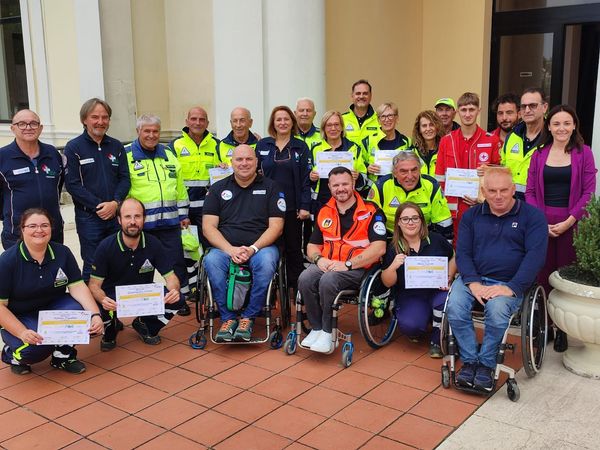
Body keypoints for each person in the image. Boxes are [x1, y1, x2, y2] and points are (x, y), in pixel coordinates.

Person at [447, 167, 548, 392]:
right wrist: (473, 283)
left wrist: (510, 287)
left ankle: (486, 364)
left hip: (510, 282)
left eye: (504, 190)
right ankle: (470, 359)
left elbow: (535, 257)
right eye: (492, 191)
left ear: (513, 189)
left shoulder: (533, 217)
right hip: (473, 278)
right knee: (454, 306)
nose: (498, 196)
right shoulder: (471, 216)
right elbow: (463, 253)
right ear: (483, 191)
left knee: (497, 309)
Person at [526, 105, 597, 352]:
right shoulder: (539, 154)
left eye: (567, 123)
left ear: (574, 125)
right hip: (542, 224)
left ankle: (562, 330)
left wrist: (569, 221)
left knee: (564, 277)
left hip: (571, 224)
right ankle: (544, 325)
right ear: (549, 126)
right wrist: (540, 222)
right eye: (556, 124)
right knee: (542, 276)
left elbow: (589, 192)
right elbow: (531, 192)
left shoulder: (584, 153)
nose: (561, 128)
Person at [0, 208, 104, 375]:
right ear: (23, 229)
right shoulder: (7, 261)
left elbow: (78, 287)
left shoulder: (62, 252)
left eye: (44, 225)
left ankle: (62, 355)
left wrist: (95, 315)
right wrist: (22, 332)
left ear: (51, 229)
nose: (39, 230)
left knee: (82, 315)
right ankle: (11, 353)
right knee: (34, 350)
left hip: (52, 310)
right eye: (32, 225)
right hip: (21, 316)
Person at [298, 167, 387, 353]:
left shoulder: (372, 211)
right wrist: (318, 259)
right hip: (329, 264)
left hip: (358, 269)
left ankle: (328, 331)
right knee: (305, 277)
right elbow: (312, 246)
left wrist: (347, 264)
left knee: (328, 280)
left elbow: (379, 248)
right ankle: (316, 328)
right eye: (336, 185)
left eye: (345, 184)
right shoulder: (324, 211)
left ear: (353, 184)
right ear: (329, 187)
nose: (341, 188)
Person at [202, 144, 285, 342]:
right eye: (239, 159)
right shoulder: (217, 189)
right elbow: (208, 227)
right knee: (211, 261)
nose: (244, 163)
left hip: (260, 248)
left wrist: (253, 248)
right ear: (232, 163)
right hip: (225, 248)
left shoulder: (271, 187)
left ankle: (248, 316)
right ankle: (228, 318)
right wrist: (230, 250)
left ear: (257, 162)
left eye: (249, 159)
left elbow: (276, 226)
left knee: (266, 263)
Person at [88, 198, 183, 350]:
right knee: (96, 306)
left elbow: (170, 277)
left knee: (178, 299)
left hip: (142, 294)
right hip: (113, 296)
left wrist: (173, 290)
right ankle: (111, 328)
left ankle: (145, 324)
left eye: (137, 216)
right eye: (127, 217)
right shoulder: (105, 246)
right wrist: (103, 298)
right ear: (119, 220)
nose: (133, 221)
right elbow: (93, 285)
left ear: (144, 219)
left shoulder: (153, 243)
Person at [125, 114, 190, 311]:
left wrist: (183, 214)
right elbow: (123, 190)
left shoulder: (169, 154)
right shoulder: (126, 154)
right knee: (141, 267)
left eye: (155, 131)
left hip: (170, 223)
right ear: (138, 132)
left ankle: (180, 300)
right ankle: (141, 306)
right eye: (147, 131)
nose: (152, 135)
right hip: (141, 225)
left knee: (176, 262)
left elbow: (179, 187)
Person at [64, 98, 130, 282]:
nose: (100, 122)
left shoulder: (116, 146)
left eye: (105, 117)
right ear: (84, 120)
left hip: (115, 214)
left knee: (118, 260)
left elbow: (125, 178)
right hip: (89, 218)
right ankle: (95, 308)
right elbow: (73, 185)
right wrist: (100, 206)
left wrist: (115, 203)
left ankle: (116, 306)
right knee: (93, 264)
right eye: (95, 117)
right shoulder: (74, 147)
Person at [381, 202, 456, 358]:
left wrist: (448, 276)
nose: (411, 222)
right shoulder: (393, 247)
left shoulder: (436, 240)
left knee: (445, 301)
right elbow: (387, 282)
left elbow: (453, 257)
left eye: (415, 218)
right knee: (411, 326)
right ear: (398, 223)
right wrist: (393, 266)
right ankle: (425, 317)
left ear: (422, 221)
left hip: (437, 291)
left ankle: (437, 338)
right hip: (411, 295)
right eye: (406, 219)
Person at [256, 106, 312, 295]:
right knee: (268, 250)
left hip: (292, 209)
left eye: (286, 119)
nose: (282, 123)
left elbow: (306, 179)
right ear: (273, 123)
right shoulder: (263, 145)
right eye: (278, 119)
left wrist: (304, 206)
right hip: (266, 209)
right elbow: (253, 174)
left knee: (294, 251)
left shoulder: (301, 147)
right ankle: (269, 293)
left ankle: (297, 294)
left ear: (292, 122)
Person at [435, 92, 501, 239]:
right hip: (452, 213)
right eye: (464, 110)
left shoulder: (491, 140)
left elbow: (499, 178)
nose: (467, 114)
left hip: (481, 210)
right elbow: (439, 178)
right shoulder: (446, 141)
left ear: (479, 111)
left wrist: (483, 197)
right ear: (457, 112)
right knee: (455, 253)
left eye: (471, 109)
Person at [0, 109, 64, 249]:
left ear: (40, 128)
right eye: (22, 124)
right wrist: (10, 218)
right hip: (17, 235)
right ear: (12, 128)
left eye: (33, 124)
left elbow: (57, 186)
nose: (28, 128)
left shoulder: (52, 153)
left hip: (52, 232)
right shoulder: (2, 157)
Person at [368, 151, 453, 240]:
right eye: (403, 171)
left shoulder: (432, 186)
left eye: (414, 170)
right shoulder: (380, 186)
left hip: (423, 238)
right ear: (394, 173)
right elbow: (370, 221)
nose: (410, 176)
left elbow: (443, 222)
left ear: (420, 170)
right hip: (390, 239)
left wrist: (445, 249)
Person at [310, 111, 369, 213]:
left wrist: (358, 176)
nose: (333, 128)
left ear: (342, 127)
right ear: (324, 128)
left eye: (337, 124)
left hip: (348, 202)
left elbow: (364, 180)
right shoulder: (316, 149)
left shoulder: (353, 148)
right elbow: (306, 179)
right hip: (322, 202)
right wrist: (311, 178)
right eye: (329, 125)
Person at [503, 88, 548, 199]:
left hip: (539, 204)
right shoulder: (511, 136)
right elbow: (503, 167)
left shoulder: (552, 138)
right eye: (523, 106)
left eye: (533, 105)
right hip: (511, 205)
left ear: (544, 107)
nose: (527, 110)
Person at [361, 102, 412, 182]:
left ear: (397, 118)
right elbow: (359, 164)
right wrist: (367, 168)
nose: (387, 119)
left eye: (390, 116)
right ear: (378, 120)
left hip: (399, 186)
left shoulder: (406, 142)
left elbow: (411, 166)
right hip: (375, 188)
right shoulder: (367, 141)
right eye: (383, 116)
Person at [341, 79, 380, 146]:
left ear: (370, 96)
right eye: (358, 93)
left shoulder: (379, 119)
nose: (361, 96)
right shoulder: (341, 119)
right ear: (352, 96)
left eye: (365, 93)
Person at [410, 110, 446, 176]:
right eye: (424, 126)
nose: (428, 129)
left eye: (431, 125)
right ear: (419, 130)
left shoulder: (446, 151)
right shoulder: (411, 153)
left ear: (437, 127)